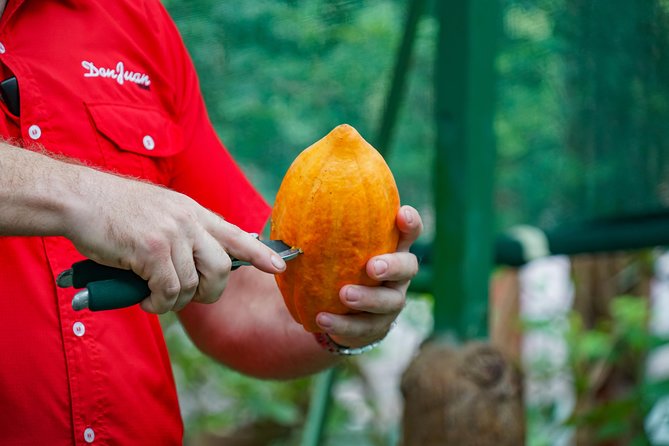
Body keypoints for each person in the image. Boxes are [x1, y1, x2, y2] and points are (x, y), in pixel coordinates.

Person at [0, 0, 422, 444]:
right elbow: (96, 200)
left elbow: (239, 298)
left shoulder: (132, 18)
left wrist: (342, 316)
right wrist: (87, 196)